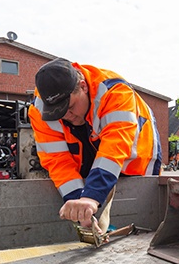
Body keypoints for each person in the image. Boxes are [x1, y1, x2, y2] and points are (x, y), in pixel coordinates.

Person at [28, 58, 162, 233]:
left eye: (70, 107)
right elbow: (57, 161)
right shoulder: (39, 111)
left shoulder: (115, 92)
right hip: (93, 161)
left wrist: (91, 197)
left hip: (137, 163)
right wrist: (81, 209)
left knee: (144, 229)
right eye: (57, 112)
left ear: (83, 86)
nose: (66, 115)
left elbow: (114, 149)